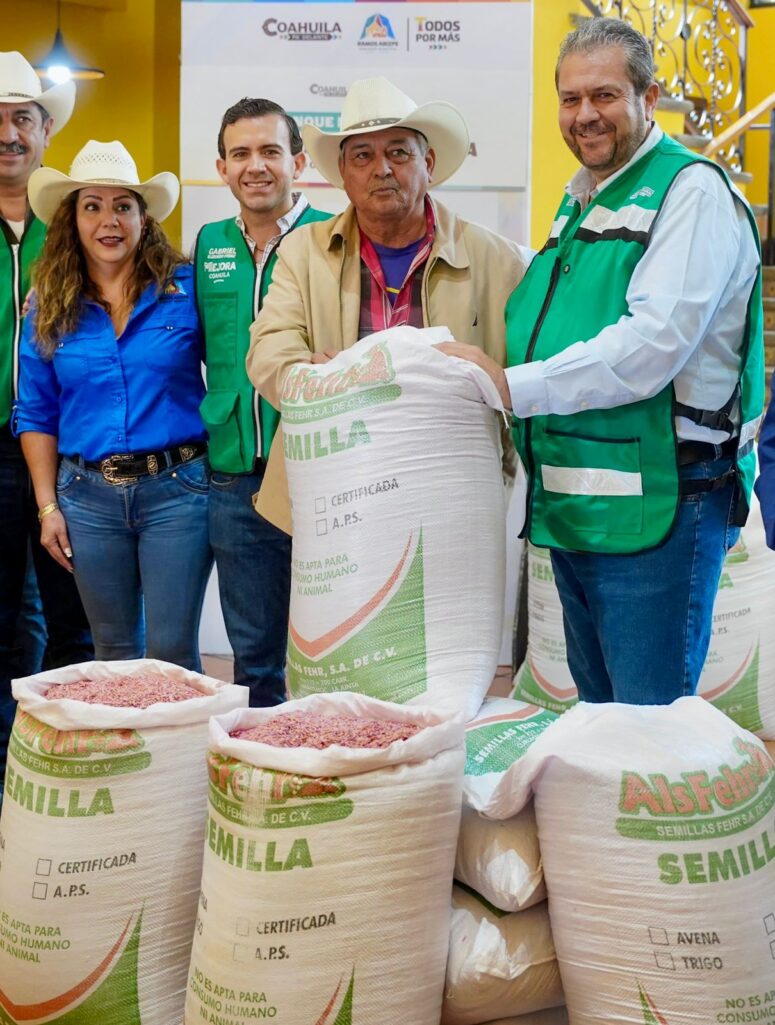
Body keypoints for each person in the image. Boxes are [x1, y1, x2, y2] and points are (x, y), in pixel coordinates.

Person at [437, 18, 764, 705]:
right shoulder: (584, 195)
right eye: (570, 98)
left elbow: (650, 346)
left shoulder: (690, 192)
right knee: (600, 718)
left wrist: (510, 386)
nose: (584, 114)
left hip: (664, 500)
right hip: (586, 502)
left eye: (604, 95)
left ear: (649, 97)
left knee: (644, 722)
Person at [246, 76, 528, 535]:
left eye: (399, 153)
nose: (381, 169)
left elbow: (526, 378)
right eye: (362, 155)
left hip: (452, 497)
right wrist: (314, 382)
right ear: (343, 173)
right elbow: (268, 348)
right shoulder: (302, 251)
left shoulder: (500, 260)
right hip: (334, 496)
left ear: (428, 163)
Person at [16, 140, 212, 670]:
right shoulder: (47, 304)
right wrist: (47, 507)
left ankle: (181, 733)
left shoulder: (186, 288)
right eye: (93, 206)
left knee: (172, 656)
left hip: (178, 493)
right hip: (86, 500)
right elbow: (35, 412)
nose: (110, 220)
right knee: (113, 657)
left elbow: (231, 367)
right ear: (73, 220)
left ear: (144, 219)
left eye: (123, 206)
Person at [195, 98, 330, 706]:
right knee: (253, 656)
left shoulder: (331, 235)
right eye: (241, 153)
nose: (256, 166)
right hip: (234, 481)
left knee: (329, 644)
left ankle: (329, 751)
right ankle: (261, 759)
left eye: (271, 151)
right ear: (221, 167)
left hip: (317, 472)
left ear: (298, 163)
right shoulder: (209, 244)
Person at [0, 51, 91, 772]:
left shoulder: (74, 224)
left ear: (45, 130)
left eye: (22, 119)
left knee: (71, 610)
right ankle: (5, 765)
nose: (8, 134)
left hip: (64, 445)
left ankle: (61, 760)